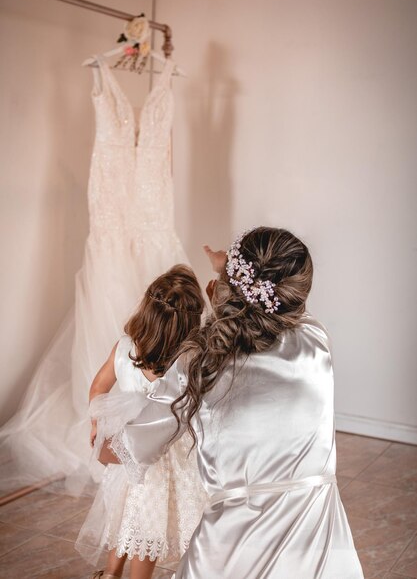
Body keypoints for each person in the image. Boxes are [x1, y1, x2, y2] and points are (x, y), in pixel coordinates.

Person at [93, 227, 364, 579]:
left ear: (233, 284)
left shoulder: (196, 363)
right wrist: (230, 273)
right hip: (321, 546)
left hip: (232, 553)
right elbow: (279, 304)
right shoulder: (316, 338)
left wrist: (101, 442)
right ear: (297, 293)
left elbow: (129, 448)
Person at [75, 265, 208, 579]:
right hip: (166, 460)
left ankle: (110, 573)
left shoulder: (124, 348)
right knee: (145, 527)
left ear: (147, 310)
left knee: (125, 516)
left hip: (128, 451)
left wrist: (98, 424)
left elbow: (98, 388)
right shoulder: (188, 361)